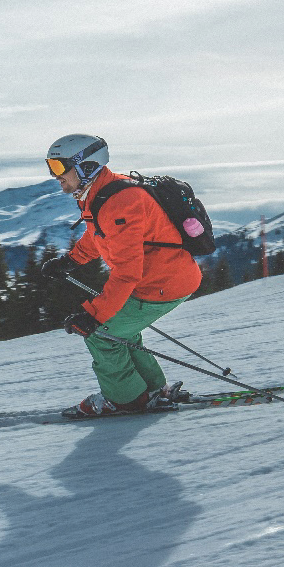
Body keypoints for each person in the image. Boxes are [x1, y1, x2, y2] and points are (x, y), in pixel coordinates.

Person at [41, 133, 203, 417]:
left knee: (102, 335)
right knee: (122, 332)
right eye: (50, 167)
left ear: (85, 166)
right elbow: (97, 236)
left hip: (161, 285)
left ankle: (126, 399)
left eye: (58, 168)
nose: (56, 176)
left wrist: (93, 315)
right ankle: (152, 389)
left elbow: (127, 273)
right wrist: (69, 261)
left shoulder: (119, 203)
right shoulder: (101, 193)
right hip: (162, 279)